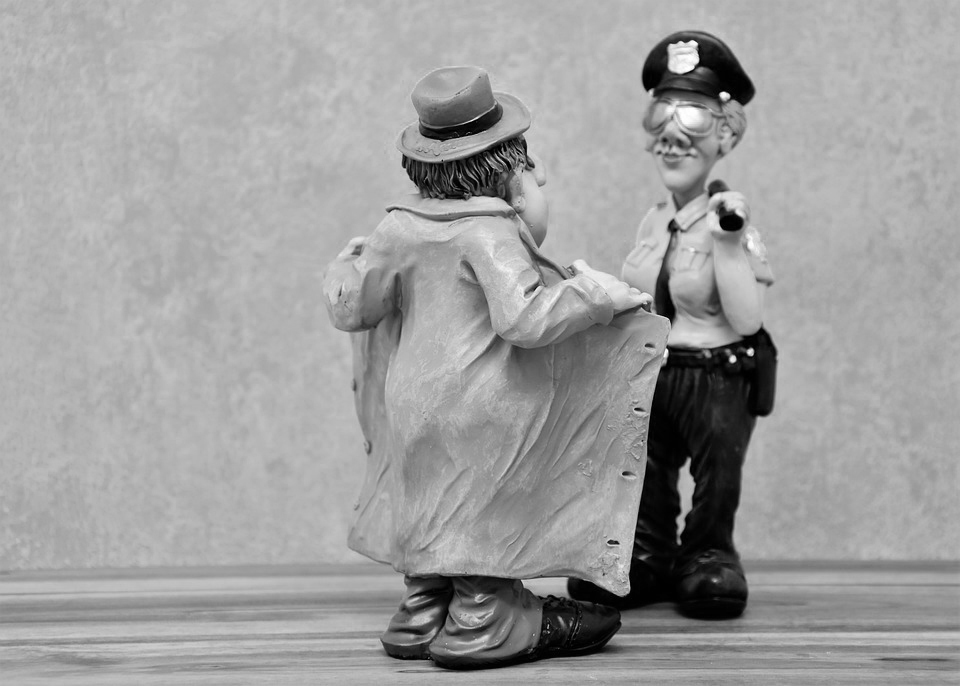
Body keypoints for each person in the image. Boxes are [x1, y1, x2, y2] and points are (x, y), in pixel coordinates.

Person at [323, 66, 669, 669]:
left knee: (431, 498)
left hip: (413, 400)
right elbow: (525, 319)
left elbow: (355, 309)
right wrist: (594, 295)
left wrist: (343, 268)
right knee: (483, 502)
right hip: (482, 400)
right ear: (507, 165)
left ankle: (422, 608)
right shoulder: (488, 233)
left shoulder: (396, 228)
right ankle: (486, 615)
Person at [567, 31, 774, 619]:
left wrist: (728, 244)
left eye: (693, 117)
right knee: (644, 466)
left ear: (725, 135)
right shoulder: (654, 220)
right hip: (654, 367)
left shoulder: (731, 223)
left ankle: (708, 555)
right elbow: (640, 293)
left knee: (717, 470)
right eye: (661, 114)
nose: (671, 136)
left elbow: (748, 319)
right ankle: (647, 555)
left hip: (714, 374)